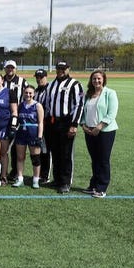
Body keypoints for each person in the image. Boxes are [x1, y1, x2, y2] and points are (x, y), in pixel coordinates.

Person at [44, 61, 84, 194]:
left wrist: (74, 124)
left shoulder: (75, 84)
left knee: (66, 153)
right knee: (55, 152)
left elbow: (79, 105)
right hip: (52, 122)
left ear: (68, 69)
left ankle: (65, 182)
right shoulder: (51, 85)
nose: (61, 70)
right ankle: (57, 179)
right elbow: (48, 104)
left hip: (66, 122)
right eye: (59, 68)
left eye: (63, 68)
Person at [81, 70, 118, 198]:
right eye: (94, 79)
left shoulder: (110, 93)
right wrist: (83, 125)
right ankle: (93, 185)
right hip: (89, 131)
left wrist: (100, 126)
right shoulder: (88, 95)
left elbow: (112, 113)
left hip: (105, 132)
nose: (96, 81)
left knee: (103, 160)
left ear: (103, 80)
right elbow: (83, 112)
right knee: (95, 160)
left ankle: (102, 188)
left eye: (99, 79)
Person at [13, 85, 44, 189]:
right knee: (20, 157)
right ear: (23, 93)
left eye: (30, 93)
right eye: (26, 92)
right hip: (21, 133)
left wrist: (39, 137)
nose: (28, 95)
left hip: (33, 133)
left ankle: (36, 180)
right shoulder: (21, 105)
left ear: (34, 94)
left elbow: (40, 122)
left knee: (35, 158)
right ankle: (20, 178)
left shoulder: (37, 105)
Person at [3, 60, 28, 181]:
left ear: (15, 69)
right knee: (3, 146)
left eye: (12, 68)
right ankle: (2, 170)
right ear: (5, 69)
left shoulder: (22, 82)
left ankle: (14, 171)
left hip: (17, 118)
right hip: (2, 118)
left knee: (15, 147)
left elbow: (27, 98)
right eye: (8, 67)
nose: (10, 69)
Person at [32, 69, 51, 184]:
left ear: (46, 77)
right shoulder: (36, 91)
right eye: (37, 77)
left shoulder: (50, 90)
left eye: (41, 77)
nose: (39, 79)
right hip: (36, 125)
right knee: (38, 150)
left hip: (47, 124)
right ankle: (39, 174)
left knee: (45, 150)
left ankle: (45, 175)